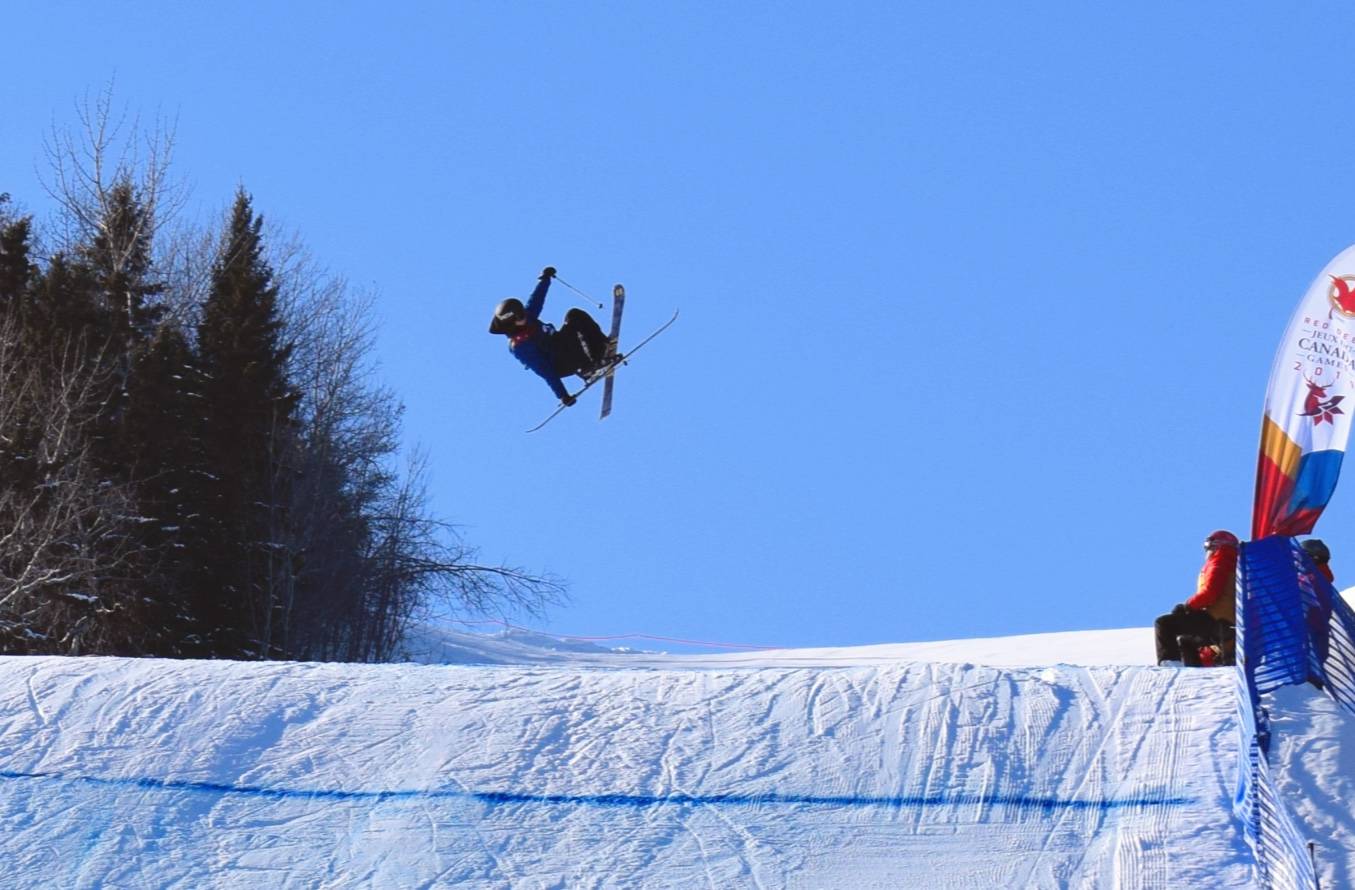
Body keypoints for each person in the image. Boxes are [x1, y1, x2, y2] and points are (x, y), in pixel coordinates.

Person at [489, 266, 613, 406]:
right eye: (519, 317)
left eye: (522, 312)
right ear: (511, 323)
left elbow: (536, 300)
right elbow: (545, 371)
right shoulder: (520, 345)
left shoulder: (526, 319)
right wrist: (563, 395)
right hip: (560, 363)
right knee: (571, 343)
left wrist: (545, 279)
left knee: (574, 315)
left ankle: (602, 345)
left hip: (560, 344)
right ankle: (591, 365)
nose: (524, 317)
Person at [1154, 530, 1239, 667]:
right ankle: (1194, 671)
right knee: (1186, 640)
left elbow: (1210, 593)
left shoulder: (1220, 562)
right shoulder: (1233, 563)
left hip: (1218, 619)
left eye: (1209, 545)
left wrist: (1187, 606)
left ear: (1219, 545)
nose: (1207, 550)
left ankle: (1169, 663)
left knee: (1164, 624)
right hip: (1228, 619)